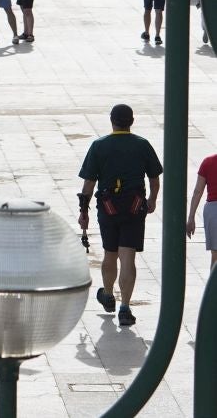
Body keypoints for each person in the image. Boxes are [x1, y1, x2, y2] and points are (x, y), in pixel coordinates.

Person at [77, 103, 162, 328]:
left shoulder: (99, 146)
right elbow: (154, 179)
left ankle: (107, 294)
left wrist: (83, 213)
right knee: (128, 256)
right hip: (135, 207)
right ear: (131, 122)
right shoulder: (142, 145)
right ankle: (125, 307)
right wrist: (152, 200)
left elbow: (88, 184)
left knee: (110, 253)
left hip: (108, 208)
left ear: (112, 121)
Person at [185, 147, 217, 272]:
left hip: (213, 211)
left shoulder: (208, 162)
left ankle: (214, 289)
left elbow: (198, 192)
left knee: (215, 254)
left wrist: (191, 217)